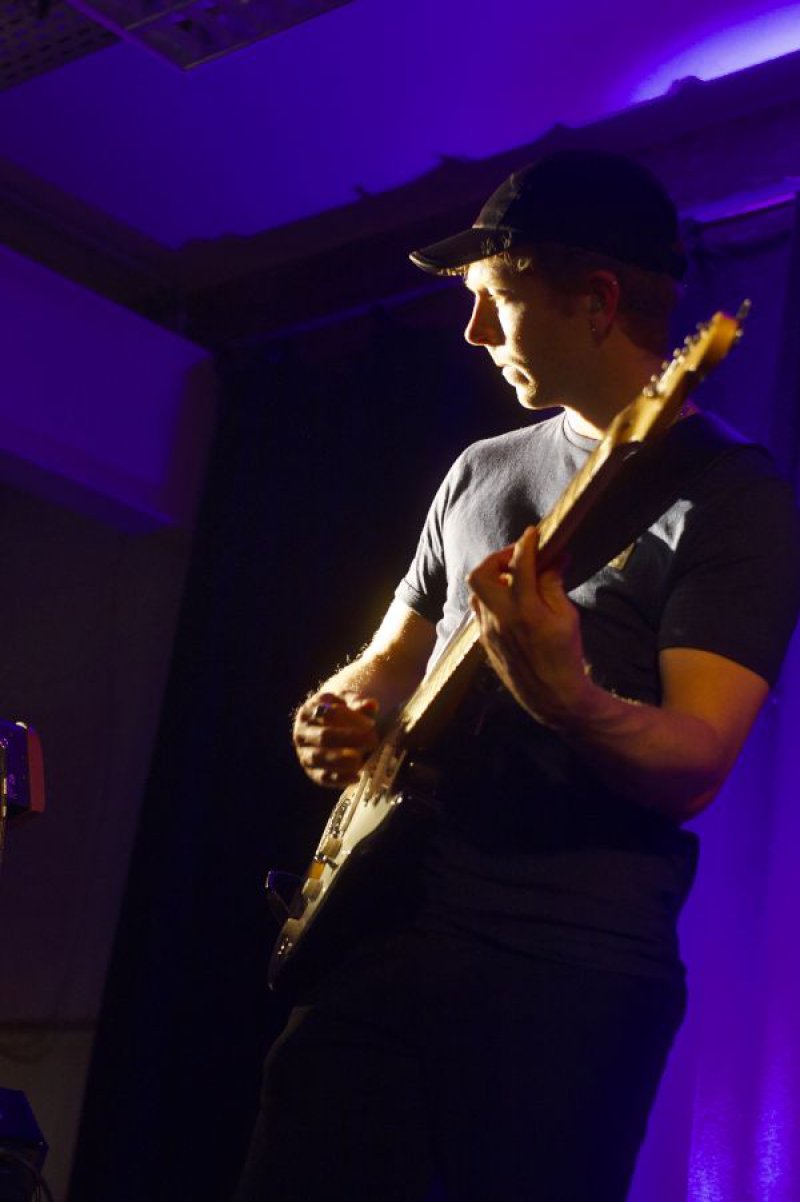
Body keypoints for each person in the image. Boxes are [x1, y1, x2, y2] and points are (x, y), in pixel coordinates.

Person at [234, 149, 800, 1202]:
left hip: (563, 972)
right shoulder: (480, 469)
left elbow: (697, 760)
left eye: (496, 298)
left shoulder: (732, 497)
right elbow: (391, 656)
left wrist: (565, 696)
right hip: (378, 934)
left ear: (596, 301)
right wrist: (339, 710)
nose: (473, 333)